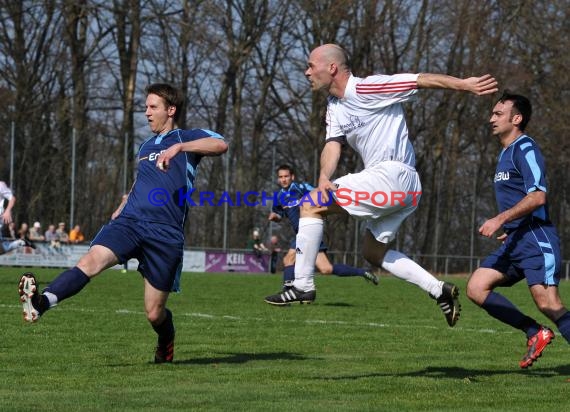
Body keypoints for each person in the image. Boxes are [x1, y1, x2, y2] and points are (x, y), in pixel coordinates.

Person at [264, 44, 498, 328]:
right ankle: (439, 290)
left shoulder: (367, 88)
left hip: (392, 176)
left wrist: (463, 85)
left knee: (310, 204)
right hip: (404, 187)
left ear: (332, 68)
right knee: (372, 253)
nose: (306, 72)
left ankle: (301, 285)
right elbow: (332, 144)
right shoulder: (334, 106)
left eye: (311, 66)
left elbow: (418, 79)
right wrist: (324, 178)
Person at [18, 82, 228, 364]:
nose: (147, 113)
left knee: (154, 313)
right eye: (145, 107)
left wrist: (180, 147)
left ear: (171, 110)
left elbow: (221, 144)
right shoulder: (144, 146)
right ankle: (42, 302)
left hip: (165, 233)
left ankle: (166, 340)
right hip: (130, 222)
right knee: (91, 261)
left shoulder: (188, 138)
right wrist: (124, 201)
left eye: (153, 107)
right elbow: (144, 180)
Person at [466, 92, 570, 368]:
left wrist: (501, 219)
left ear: (517, 118)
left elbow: (538, 196)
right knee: (477, 287)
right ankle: (535, 332)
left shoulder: (525, 148)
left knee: (548, 303)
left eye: (498, 114)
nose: (491, 119)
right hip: (516, 240)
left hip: (537, 238)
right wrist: (509, 226)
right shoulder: (505, 153)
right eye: (492, 113)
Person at [268, 164, 378, 289]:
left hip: (309, 231)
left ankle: (286, 292)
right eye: (280, 177)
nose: (283, 179)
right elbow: (279, 215)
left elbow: (320, 194)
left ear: (292, 176)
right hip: (301, 234)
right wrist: (275, 217)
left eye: (286, 176)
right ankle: (363, 272)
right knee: (326, 269)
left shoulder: (301, 188)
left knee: (288, 259)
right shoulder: (278, 196)